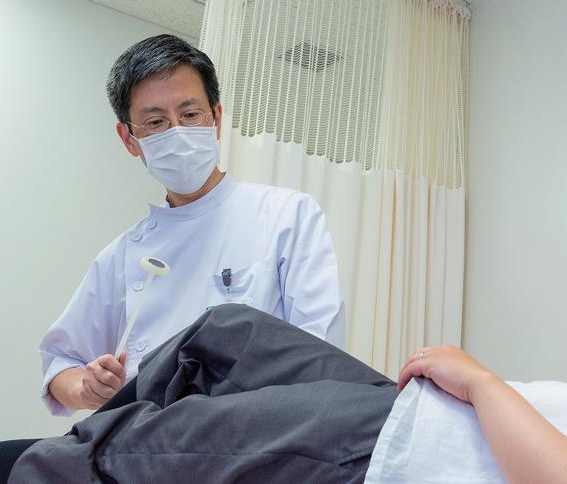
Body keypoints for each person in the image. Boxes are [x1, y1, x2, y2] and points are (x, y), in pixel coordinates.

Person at [0, 304, 567, 484]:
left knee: (136, 448)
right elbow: (61, 361)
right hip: (427, 414)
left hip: (413, 459)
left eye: (189, 114)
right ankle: (91, 452)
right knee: (224, 330)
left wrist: (484, 386)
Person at [39, 34, 345, 416]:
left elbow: (319, 355)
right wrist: (87, 387)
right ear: (129, 140)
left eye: (189, 115)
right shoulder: (121, 257)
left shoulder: (286, 217)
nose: (178, 133)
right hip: (143, 438)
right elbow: (59, 365)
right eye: (156, 122)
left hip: (252, 433)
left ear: (215, 119)